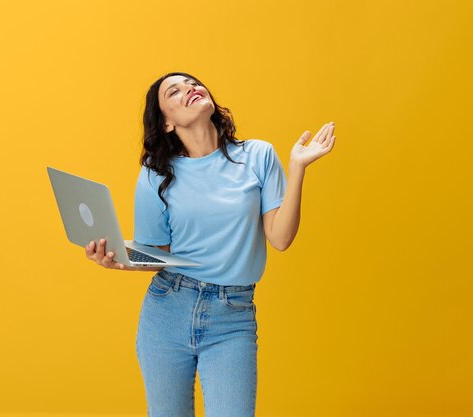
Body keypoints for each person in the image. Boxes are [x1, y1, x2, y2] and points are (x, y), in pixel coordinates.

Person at [84, 71, 336, 417]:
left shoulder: (258, 156)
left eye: (192, 83)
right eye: (174, 91)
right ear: (167, 123)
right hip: (167, 310)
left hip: (232, 315)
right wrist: (118, 258)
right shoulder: (155, 174)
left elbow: (280, 238)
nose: (189, 89)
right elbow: (159, 256)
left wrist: (297, 167)